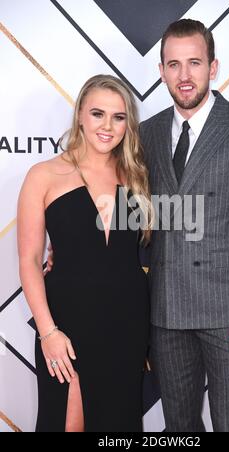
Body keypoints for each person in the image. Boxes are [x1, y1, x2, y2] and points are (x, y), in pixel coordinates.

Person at [139, 19, 229, 432]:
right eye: (174, 65)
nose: (185, 76)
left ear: (213, 67)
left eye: (195, 63)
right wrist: (66, 243)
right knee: (179, 427)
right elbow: (131, 210)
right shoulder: (145, 134)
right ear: (162, 71)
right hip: (166, 311)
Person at [17, 74, 152, 432]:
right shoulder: (43, 175)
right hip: (67, 324)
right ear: (79, 115)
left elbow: (174, 232)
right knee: (66, 421)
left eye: (119, 117)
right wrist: (48, 332)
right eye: (97, 114)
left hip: (127, 325)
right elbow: (29, 260)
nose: (108, 126)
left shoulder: (136, 176)